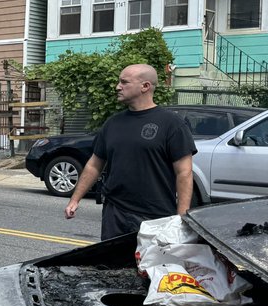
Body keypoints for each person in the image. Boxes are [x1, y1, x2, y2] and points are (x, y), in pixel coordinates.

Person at [64, 64, 196, 241]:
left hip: (155, 215)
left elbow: (184, 173)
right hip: (115, 213)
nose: (117, 87)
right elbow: (94, 165)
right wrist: (75, 199)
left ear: (145, 86)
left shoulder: (172, 124)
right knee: (111, 267)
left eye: (124, 82)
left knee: (150, 267)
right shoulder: (112, 124)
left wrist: (180, 219)